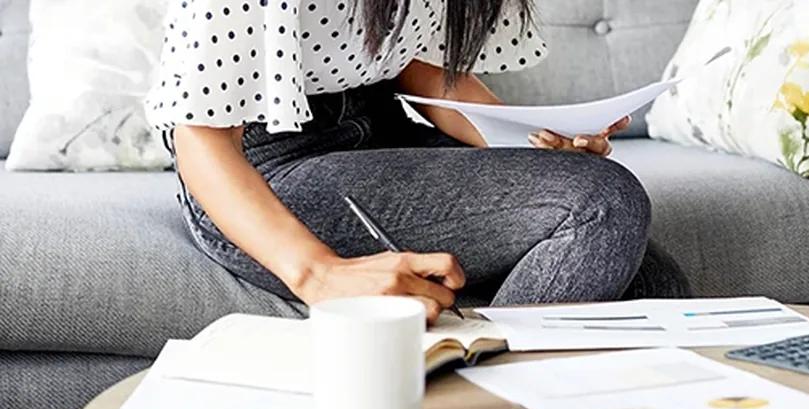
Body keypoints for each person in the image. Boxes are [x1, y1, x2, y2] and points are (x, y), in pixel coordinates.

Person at [144, 0, 691, 323]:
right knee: (604, 202)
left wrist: (538, 146)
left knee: (655, 286)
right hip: (266, 170)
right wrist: (319, 274)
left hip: (381, 128)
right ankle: (482, 405)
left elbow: (419, 69)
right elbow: (202, 140)